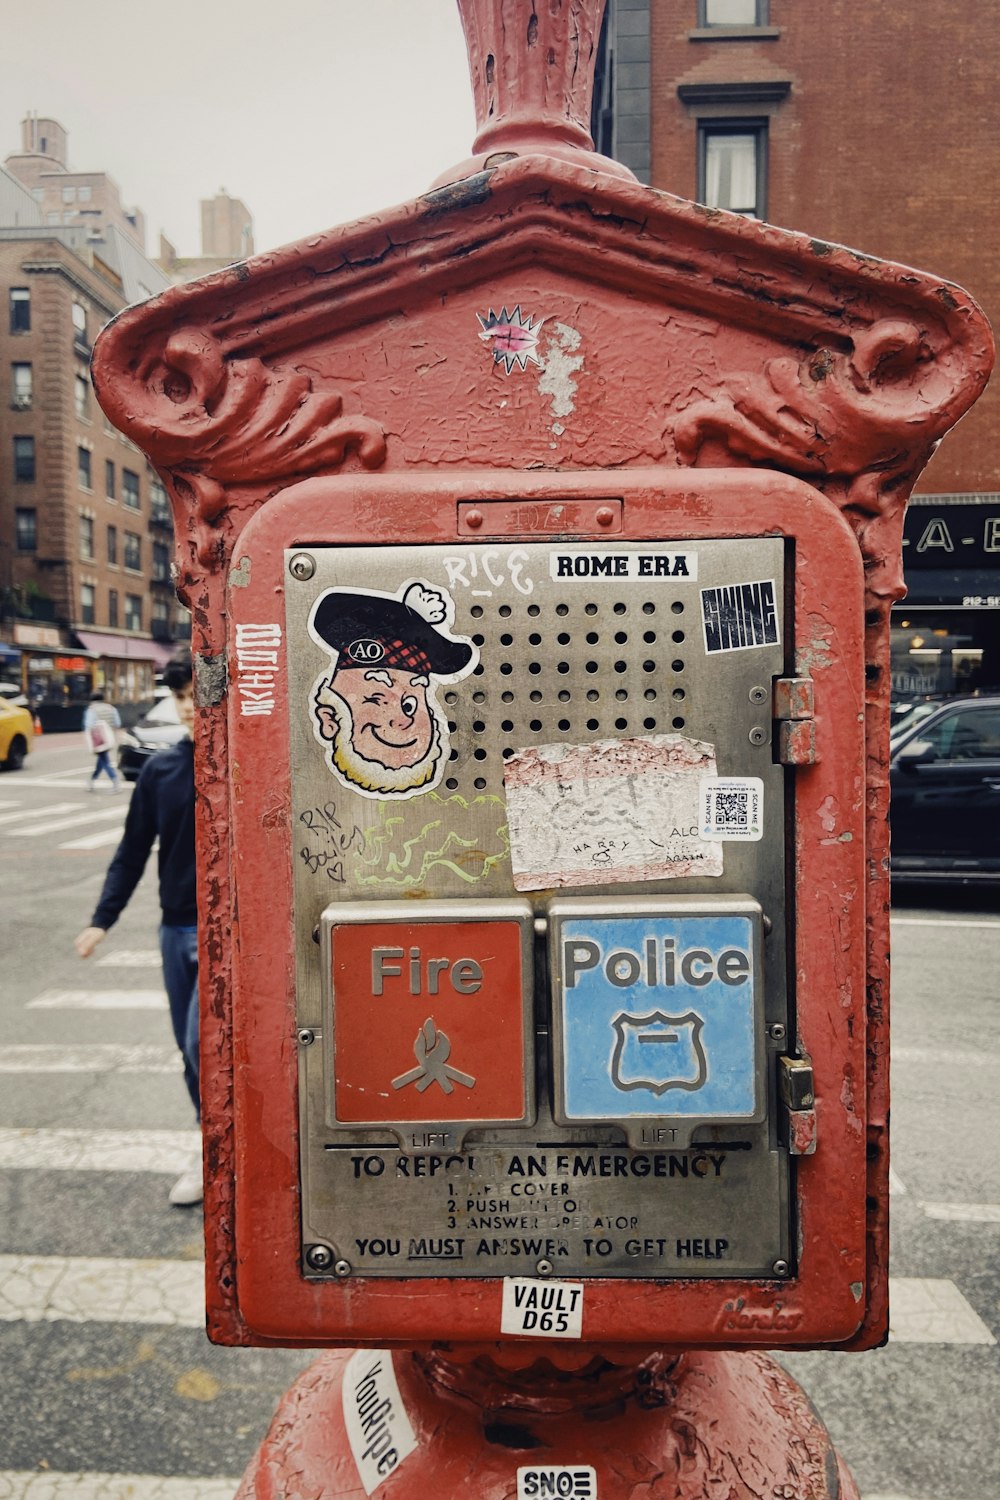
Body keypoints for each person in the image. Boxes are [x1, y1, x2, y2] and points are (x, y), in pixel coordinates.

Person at [74, 651, 201, 1206]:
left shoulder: (251, 761)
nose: (192, 707)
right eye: (181, 698)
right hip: (176, 930)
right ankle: (208, 1144)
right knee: (187, 1049)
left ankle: (227, 1144)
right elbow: (132, 852)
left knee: (204, 1045)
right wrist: (101, 920)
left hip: (232, 936)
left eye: (199, 694)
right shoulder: (161, 770)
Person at [83, 689, 122, 791]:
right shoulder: (111, 708)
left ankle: (115, 781)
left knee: (104, 760)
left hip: (99, 739)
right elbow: (117, 723)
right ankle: (91, 781)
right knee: (102, 759)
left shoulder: (91, 710)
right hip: (109, 738)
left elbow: (89, 725)